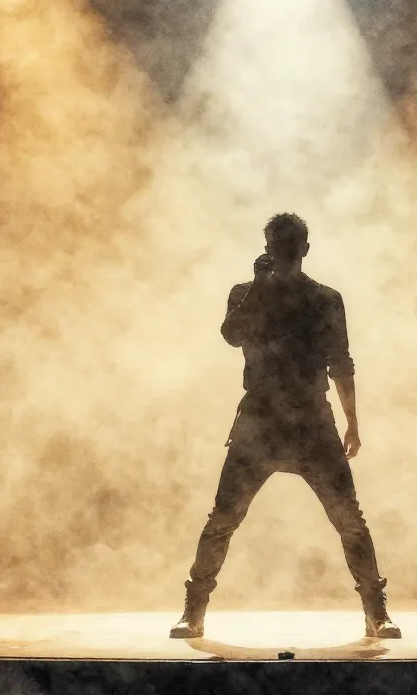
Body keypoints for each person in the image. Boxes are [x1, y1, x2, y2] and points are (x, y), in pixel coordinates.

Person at [169, 213, 400, 640]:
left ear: (304, 249)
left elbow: (340, 362)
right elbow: (231, 334)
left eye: (289, 247)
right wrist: (260, 287)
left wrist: (352, 423)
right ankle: (193, 610)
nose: (284, 254)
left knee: (349, 519)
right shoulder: (246, 293)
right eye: (277, 247)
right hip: (259, 421)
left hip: (312, 421)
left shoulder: (325, 299)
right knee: (223, 518)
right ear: (268, 249)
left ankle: (376, 612)